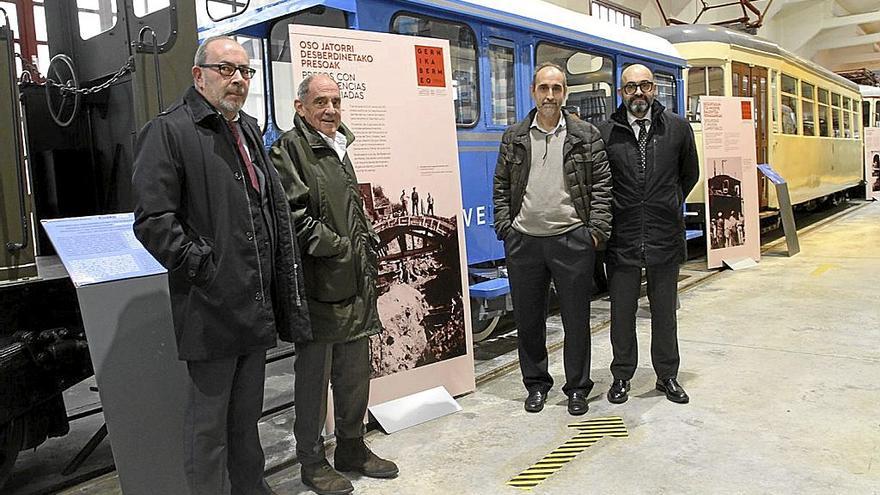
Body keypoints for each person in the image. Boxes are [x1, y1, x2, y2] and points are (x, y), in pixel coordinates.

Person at [131, 36, 310, 495]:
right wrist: (203, 267)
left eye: (245, 71)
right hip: (210, 305)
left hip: (253, 300)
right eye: (226, 69)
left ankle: (251, 487)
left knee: (246, 417)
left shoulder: (245, 128)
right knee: (208, 428)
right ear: (198, 75)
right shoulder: (170, 131)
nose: (238, 80)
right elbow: (153, 220)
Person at [270, 73, 398, 495]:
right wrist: (342, 247)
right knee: (313, 380)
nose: (330, 110)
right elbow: (294, 217)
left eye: (336, 102)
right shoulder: (290, 149)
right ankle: (311, 460)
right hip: (320, 286)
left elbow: (345, 206)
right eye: (321, 102)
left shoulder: (338, 145)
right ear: (300, 107)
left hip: (352, 281)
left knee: (353, 374)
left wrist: (363, 242)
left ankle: (351, 448)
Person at [493, 62, 612, 416]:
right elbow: (501, 185)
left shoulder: (585, 134)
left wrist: (594, 233)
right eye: (543, 88)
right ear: (533, 92)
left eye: (556, 88)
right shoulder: (514, 136)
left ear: (565, 93)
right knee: (528, 321)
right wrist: (505, 227)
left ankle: (577, 387)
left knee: (577, 320)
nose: (549, 95)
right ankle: (536, 384)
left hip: (571, 239)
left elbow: (603, 186)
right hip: (524, 241)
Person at [598, 64, 699, 405]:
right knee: (622, 313)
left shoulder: (678, 129)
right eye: (630, 87)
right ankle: (622, 376)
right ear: (620, 92)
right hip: (622, 235)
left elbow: (689, 175)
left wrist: (665, 203)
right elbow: (602, 182)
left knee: (664, 311)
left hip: (664, 233)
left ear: (654, 89)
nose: (638, 93)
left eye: (644, 86)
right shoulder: (607, 132)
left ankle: (667, 375)